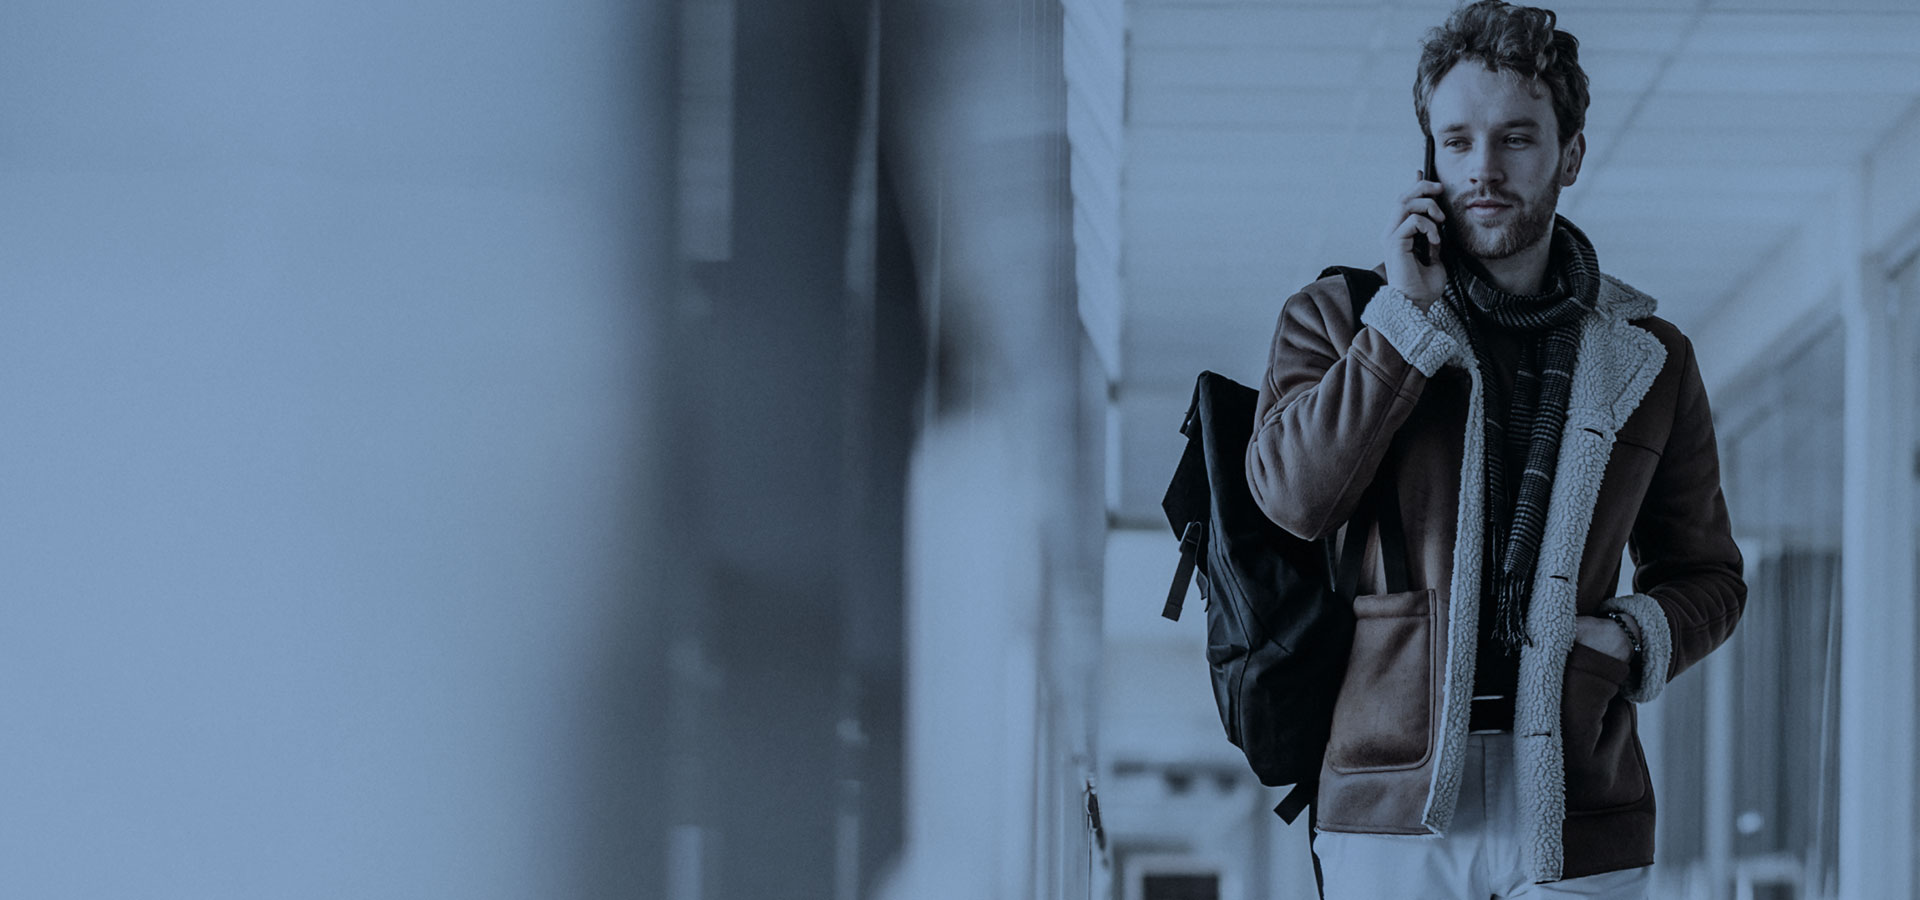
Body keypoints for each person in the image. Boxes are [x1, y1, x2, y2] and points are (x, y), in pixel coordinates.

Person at [1243, 2, 1746, 897]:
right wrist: (1402, 327)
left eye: (1516, 138)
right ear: (1428, 161)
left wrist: (1626, 639)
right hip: (1389, 794)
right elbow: (1292, 498)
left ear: (1570, 155)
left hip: (1578, 797)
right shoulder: (1339, 319)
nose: (1484, 167)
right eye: (1458, 141)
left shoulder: (1651, 358)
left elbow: (1710, 577)